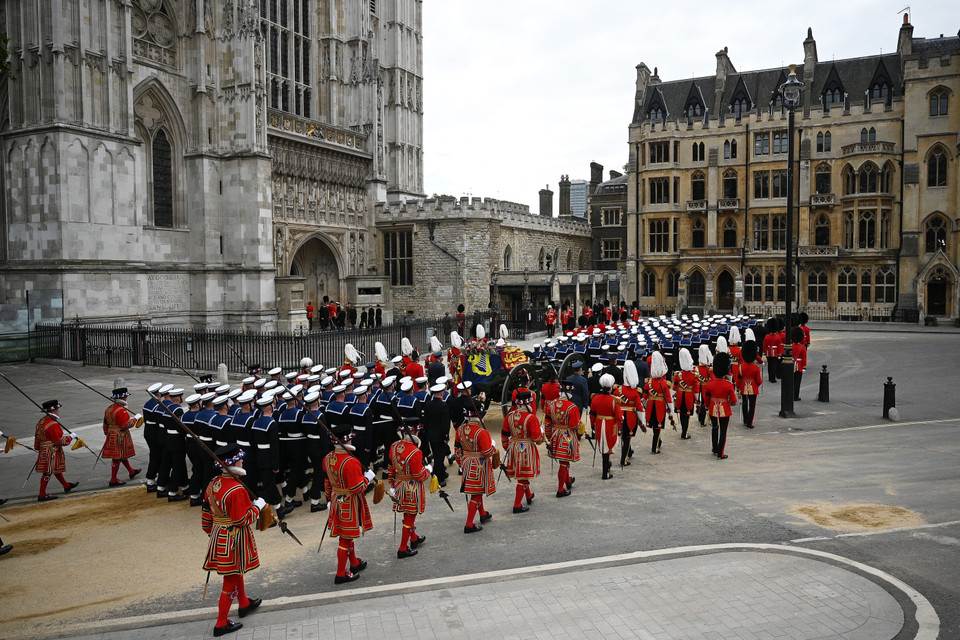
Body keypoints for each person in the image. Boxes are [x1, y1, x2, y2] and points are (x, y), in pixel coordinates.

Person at [201, 443, 265, 637]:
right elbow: (242, 519)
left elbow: (206, 514)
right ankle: (221, 623)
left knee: (237, 572)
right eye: (240, 458)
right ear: (233, 462)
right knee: (230, 581)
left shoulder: (213, 483)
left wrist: (212, 531)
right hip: (233, 538)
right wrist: (257, 508)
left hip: (220, 534)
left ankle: (244, 603)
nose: (242, 460)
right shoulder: (236, 489)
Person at [323, 422, 376, 584]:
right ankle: (340, 573)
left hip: (336, 499)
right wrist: (367, 478)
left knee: (347, 535)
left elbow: (326, 482)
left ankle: (353, 562)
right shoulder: (350, 461)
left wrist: (328, 499)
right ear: (347, 441)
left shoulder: (328, 458)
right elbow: (357, 487)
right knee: (345, 539)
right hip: (349, 502)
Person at [388, 418, 432, 558]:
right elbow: (419, 475)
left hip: (400, 484)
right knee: (409, 517)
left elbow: (391, 467)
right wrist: (428, 471)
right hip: (411, 488)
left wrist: (392, 484)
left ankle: (413, 538)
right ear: (415, 431)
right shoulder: (415, 452)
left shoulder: (394, 446)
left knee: (406, 514)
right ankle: (402, 548)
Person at [455, 404, 496, 533]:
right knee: (477, 493)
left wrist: (461, 462)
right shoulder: (482, 432)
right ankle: (469, 523)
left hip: (467, 462)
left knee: (477, 491)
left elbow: (457, 449)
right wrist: (493, 447)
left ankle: (482, 513)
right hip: (479, 464)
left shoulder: (460, 430)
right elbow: (487, 452)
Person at [501, 392, 543, 513]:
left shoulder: (509, 416)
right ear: (528, 403)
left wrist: (506, 447)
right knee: (523, 478)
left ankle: (529, 495)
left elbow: (504, 434)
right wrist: (542, 436)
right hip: (526, 448)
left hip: (513, 445)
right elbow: (537, 438)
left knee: (523, 474)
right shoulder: (531, 418)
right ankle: (517, 504)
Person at [35, 399, 79, 501]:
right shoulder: (53, 424)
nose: (58, 411)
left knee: (53, 468)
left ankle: (66, 485)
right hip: (51, 451)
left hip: (44, 449)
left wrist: (38, 448)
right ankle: (42, 494)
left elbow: (37, 438)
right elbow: (59, 441)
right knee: (48, 472)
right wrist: (70, 437)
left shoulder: (41, 421)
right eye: (57, 409)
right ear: (53, 411)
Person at [543, 381, 580, 497]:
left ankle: (568, 480)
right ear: (569, 391)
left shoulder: (551, 405)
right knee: (564, 462)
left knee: (563, 460)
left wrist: (549, 437)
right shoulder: (572, 407)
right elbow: (575, 425)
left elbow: (547, 423)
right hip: (567, 435)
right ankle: (560, 489)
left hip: (555, 434)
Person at [102, 388, 141, 487]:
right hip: (120, 436)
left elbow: (105, 424)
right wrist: (135, 419)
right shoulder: (121, 410)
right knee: (117, 458)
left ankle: (131, 471)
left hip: (111, 434)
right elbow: (126, 425)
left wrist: (108, 434)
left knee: (121, 455)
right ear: (124, 397)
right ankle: (113, 479)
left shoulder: (108, 409)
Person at [704, 352, 737, 459]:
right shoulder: (728, 385)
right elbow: (734, 401)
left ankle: (714, 448)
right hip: (725, 409)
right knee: (723, 431)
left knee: (714, 428)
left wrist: (707, 406)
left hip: (713, 408)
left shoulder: (710, 383)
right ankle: (720, 453)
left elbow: (707, 399)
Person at [590, 374, 622, 480]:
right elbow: (618, 417)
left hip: (599, 423)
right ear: (611, 388)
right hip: (610, 424)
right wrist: (620, 428)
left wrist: (592, 425)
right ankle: (605, 472)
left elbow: (592, 414)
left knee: (603, 445)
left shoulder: (595, 398)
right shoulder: (614, 400)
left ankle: (607, 467)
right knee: (608, 446)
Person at [643, 352, 674, 455]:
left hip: (651, 405)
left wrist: (645, 406)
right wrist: (671, 411)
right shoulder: (664, 384)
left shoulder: (649, 383)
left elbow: (645, 397)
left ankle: (658, 441)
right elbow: (669, 399)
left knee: (654, 425)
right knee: (658, 426)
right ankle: (654, 447)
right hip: (660, 406)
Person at [421, 383, 451, 486]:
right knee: (439, 458)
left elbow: (425, 420)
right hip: (440, 436)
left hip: (431, 435)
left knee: (437, 454)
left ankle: (442, 472)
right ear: (442, 393)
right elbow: (445, 423)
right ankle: (439, 477)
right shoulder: (444, 406)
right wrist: (446, 436)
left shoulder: (428, 404)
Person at [617, 360, 645, 467]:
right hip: (630, 417)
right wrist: (641, 421)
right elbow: (639, 407)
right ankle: (624, 460)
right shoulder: (636, 392)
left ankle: (628, 452)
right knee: (627, 438)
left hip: (620, 416)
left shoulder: (617, 390)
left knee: (624, 437)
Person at [141, 383, 165, 492]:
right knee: (156, 455)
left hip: (148, 431)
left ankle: (156, 476)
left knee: (155, 454)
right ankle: (151, 478)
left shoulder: (147, 404)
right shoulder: (157, 405)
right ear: (159, 393)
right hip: (154, 432)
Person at [673, 349, 699, 440]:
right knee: (687, 415)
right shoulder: (694, 375)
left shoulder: (678, 374)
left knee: (681, 413)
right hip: (689, 396)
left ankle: (683, 432)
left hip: (680, 395)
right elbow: (696, 390)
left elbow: (674, 388)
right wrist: (697, 400)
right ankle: (685, 433)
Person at [738, 340, 763, 428]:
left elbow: (739, 379)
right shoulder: (756, 368)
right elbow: (759, 381)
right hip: (753, 387)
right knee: (752, 406)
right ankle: (750, 423)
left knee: (744, 404)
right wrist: (756, 386)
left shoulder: (741, 367)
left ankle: (745, 420)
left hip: (744, 387)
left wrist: (738, 388)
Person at [791, 326, 807, 401]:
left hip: (791, 365)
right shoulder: (802, 348)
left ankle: (791, 394)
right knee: (797, 382)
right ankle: (796, 395)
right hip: (799, 366)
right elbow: (804, 358)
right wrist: (804, 367)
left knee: (791, 381)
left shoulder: (790, 346)